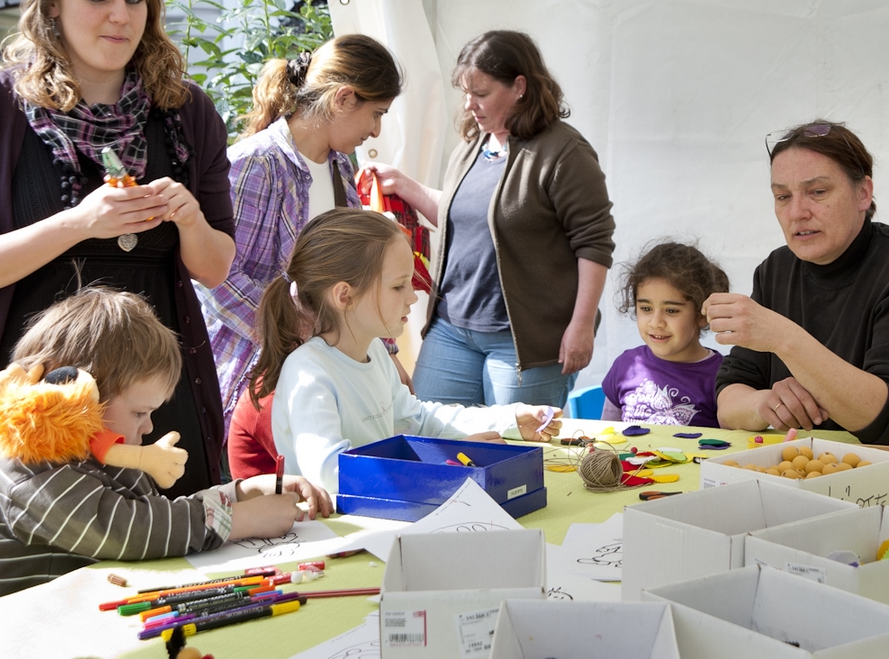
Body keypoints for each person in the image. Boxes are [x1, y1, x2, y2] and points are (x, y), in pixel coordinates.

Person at [0, 0, 236, 579]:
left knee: (169, 591)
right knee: (31, 600)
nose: (120, 15)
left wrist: (190, 220)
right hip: (31, 407)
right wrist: (77, 224)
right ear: (52, 6)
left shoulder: (187, 114)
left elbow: (215, 266)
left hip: (157, 406)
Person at [0, 287, 329, 603]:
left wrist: (240, 493)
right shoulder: (23, 462)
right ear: (72, 390)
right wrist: (239, 520)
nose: (149, 425)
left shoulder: (99, 449)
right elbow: (124, 529)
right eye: (139, 412)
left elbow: (152, 513)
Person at [371, 31, 615, 408]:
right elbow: (466, 221)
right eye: (465, 94)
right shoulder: (473, 145)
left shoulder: (565, 152)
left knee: (515, 451)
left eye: (481, 94)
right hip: (452, 329)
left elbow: (594, 244)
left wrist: (580, 326)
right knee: (431, 441)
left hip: (524, 342)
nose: (469, 105)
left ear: (520, 86)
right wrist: (405, 187)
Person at [711, 120, 889, 445]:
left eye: (818, 192)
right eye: (783, 196)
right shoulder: (775, 269)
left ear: (863, 193)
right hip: (831, 470)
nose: (797, 212)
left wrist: (782, 338)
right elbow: (728, 401)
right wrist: (764, 404)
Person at [254, 209, 562, 494]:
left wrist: (508, 419)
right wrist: (439, 466)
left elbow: (418, 420)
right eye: (399, 285)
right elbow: (329, 471)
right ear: (344, 295)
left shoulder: (374, 351)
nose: (413, 297)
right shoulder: (308, 373)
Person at [200, 35, 407, 438]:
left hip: (322, 374)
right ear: (344, 98)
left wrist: (386, 355)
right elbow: (215, 277)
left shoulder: (339, 168)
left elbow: (357, 278)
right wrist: (294, 332)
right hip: (259, 382)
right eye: (376, 113)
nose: (377, 130)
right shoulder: (258, 163)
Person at [601, 242, 728, 427]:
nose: (656, 322)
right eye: (646, 308)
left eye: (671, 311)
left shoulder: (723, 377)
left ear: (702, 314)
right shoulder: (625, 366)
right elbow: (606, 434)